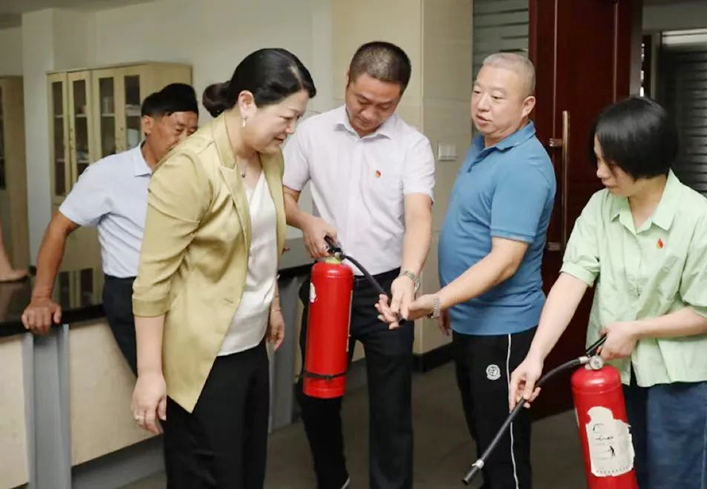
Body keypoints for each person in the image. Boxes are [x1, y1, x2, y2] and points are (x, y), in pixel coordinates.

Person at [509, 97, 707, 489]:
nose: (599, 172)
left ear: (646, 159)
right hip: (615, 372)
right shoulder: (600, 207)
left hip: (681, 380)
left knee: (677, 480)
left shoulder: (703, 223)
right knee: (618, 475)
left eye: (611, 164)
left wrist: (636, 329)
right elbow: (572, 278)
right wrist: (535, 357)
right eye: (598, 159)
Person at [130, 48, 316, 488]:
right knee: (208, 476)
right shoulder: (190, 167)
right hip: (204, 356)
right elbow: (152, 281)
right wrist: (150, 373)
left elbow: (260, 241)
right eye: (287, 117)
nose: (292, 129)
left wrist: (271, 303)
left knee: (246, 471)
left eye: (298, 119)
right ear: (247, 102)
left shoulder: (270, 156)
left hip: (250, 345)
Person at [379, 53, 555, 489]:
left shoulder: (524, 166)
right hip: (472, 318)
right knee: (483, 430)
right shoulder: (484, 146)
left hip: (503, 329)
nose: (482, 104)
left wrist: (439, 299)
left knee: (502, 445)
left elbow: (504, 260)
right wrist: (452, 302)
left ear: (527, 106)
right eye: (478, 91)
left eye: (497, 96)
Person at [283, 41, 435, 489]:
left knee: (391, 405)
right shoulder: (312, 132)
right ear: (347, 80)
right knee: (316, 394)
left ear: (400, 97)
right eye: (361, 100)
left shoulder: (412, 145)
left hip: (386, 285)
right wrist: (307, 221)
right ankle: (333, 477)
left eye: (384, 106)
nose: (369, 114)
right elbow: (283, 196)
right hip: (329, 283)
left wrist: (409, 277)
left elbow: (419, 217)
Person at [21, 83, 199, 374]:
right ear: (147, 124)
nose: (185, 141)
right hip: (132, 293)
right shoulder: (108, 174)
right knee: (165, 387)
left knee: (197, 385)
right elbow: (58, 228)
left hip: (186, 289)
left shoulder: (194, 173)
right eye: (178, 130)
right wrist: (41, 296)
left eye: (192, 132)